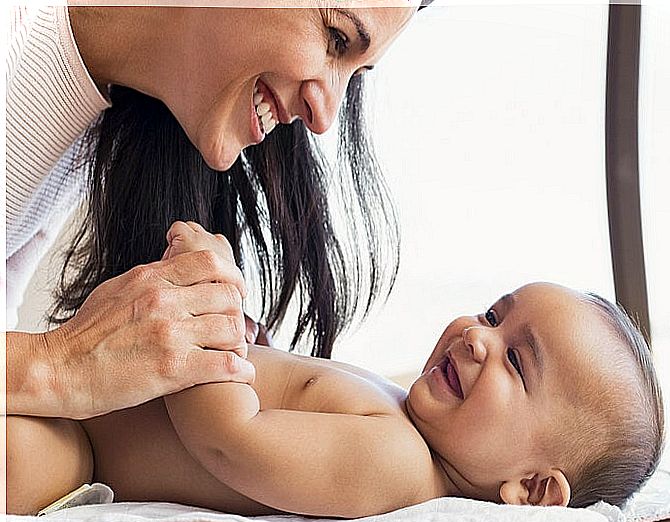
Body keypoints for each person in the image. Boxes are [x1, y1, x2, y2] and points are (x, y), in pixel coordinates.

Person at [6, 223, 664, 518]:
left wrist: (213, 320)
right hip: (89, 403)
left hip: (82, 450)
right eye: (493, 315)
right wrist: (257, 346)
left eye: (516, 361)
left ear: (531, 490)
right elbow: (285, 390)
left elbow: (231, 442)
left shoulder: (396, 462)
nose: (474, 337)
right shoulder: (399, 417)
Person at [6, 1, 429, 422]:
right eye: (337, 38)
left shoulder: (84, 123)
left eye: (354, 76)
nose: (326, 117)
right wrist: (58, 365)